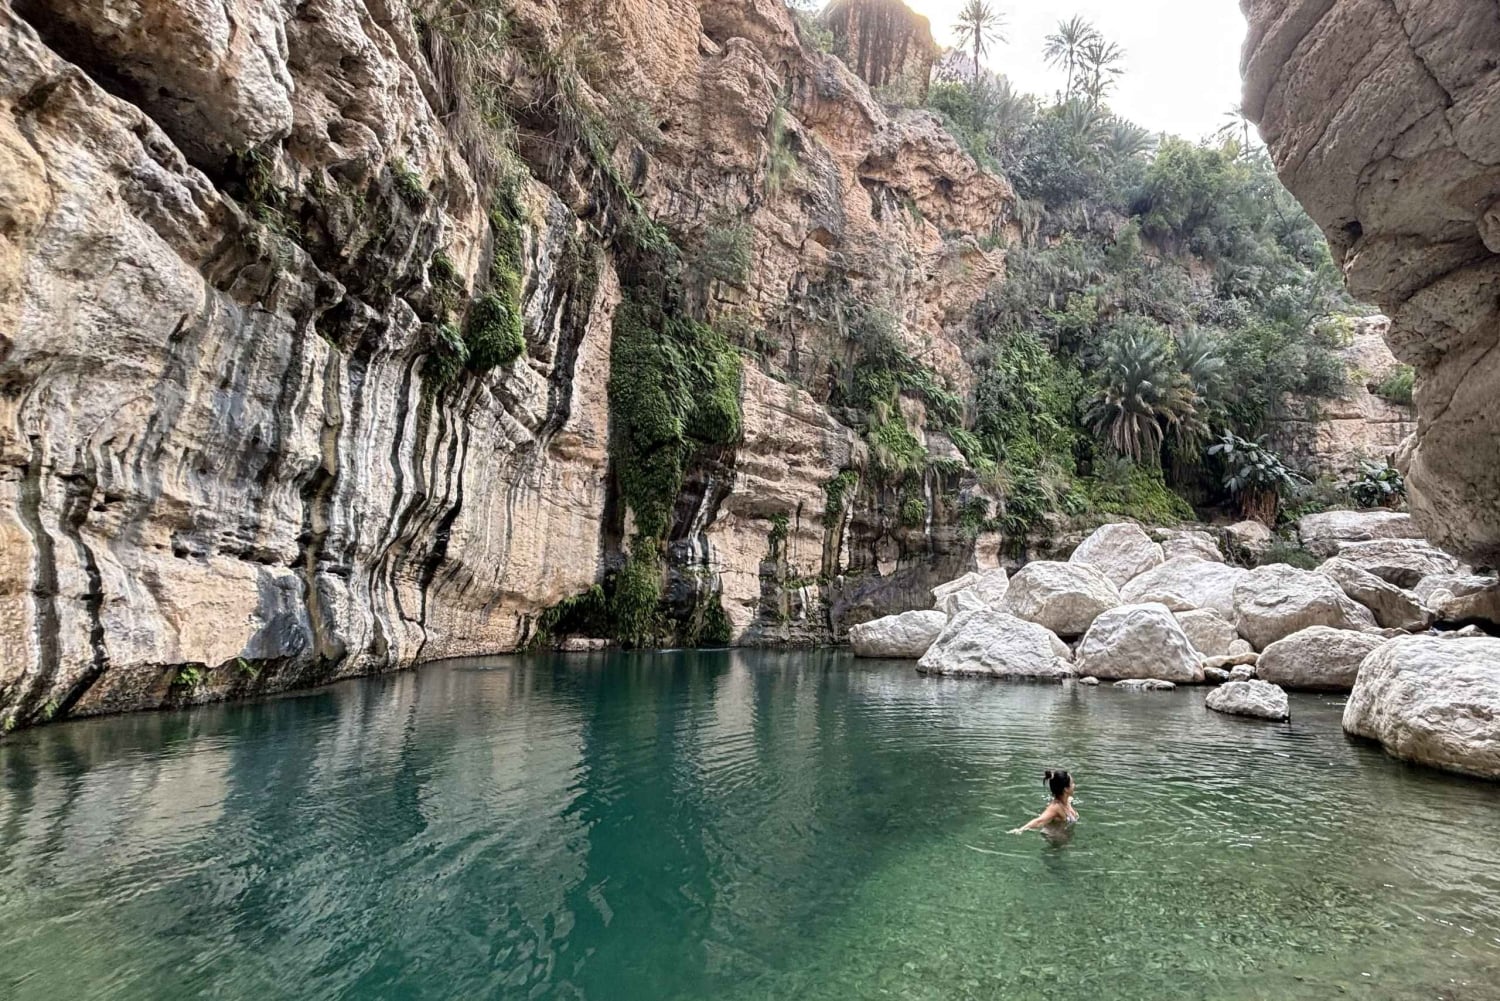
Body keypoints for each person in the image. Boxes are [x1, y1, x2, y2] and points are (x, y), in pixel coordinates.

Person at [1009, 769, 1078, 834]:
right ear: (1066, 789)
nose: (1074, 785)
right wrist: (1021, 830)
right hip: (1056, 839)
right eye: (1072, 783)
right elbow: (1039, 821)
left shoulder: (1067, 801)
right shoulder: (1055, 808)